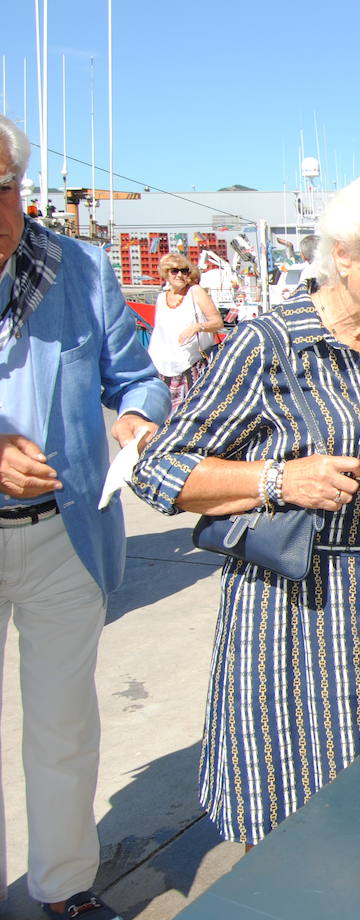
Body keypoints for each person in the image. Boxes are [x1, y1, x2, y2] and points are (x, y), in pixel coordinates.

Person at [130, 163, 360, 847]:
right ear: (346, 255)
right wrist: (276, 480)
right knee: (303, 821)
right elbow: (158, 471)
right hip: (295, 614)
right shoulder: (270, 344)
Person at [0, 114, 170, 920]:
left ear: (22, 184)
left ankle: (63, 886)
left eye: (2, 186)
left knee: (64, 726)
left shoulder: (82, 268)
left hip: (64, 537)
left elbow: (135, 375)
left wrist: (137, 417)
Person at [148, 252, 224, 413]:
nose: (180, 275)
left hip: (191, 366)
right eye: (175, 271)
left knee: (189, 414)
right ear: (166, 274)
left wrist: (197, 327)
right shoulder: (162, 298)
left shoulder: (195, 292)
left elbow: (217, 322)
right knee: (165, 415)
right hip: (164, 367)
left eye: (184, 271)